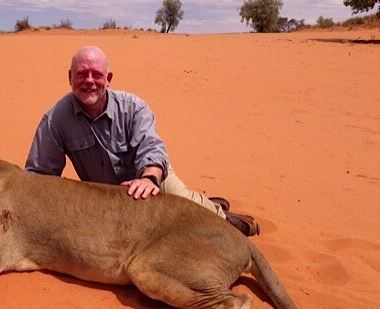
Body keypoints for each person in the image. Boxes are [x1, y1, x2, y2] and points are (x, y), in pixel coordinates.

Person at [25, 45, 259, 237]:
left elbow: (152, 149)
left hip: (153, 179)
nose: (89, 81)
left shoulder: (134, 108)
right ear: (70, 78)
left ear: (108, 79)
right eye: (81, 74)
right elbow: (39, 177)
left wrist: (149, 179)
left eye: (96, 74)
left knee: (188, 208)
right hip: (105, 199)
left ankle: (225, 218)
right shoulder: (55, 119)